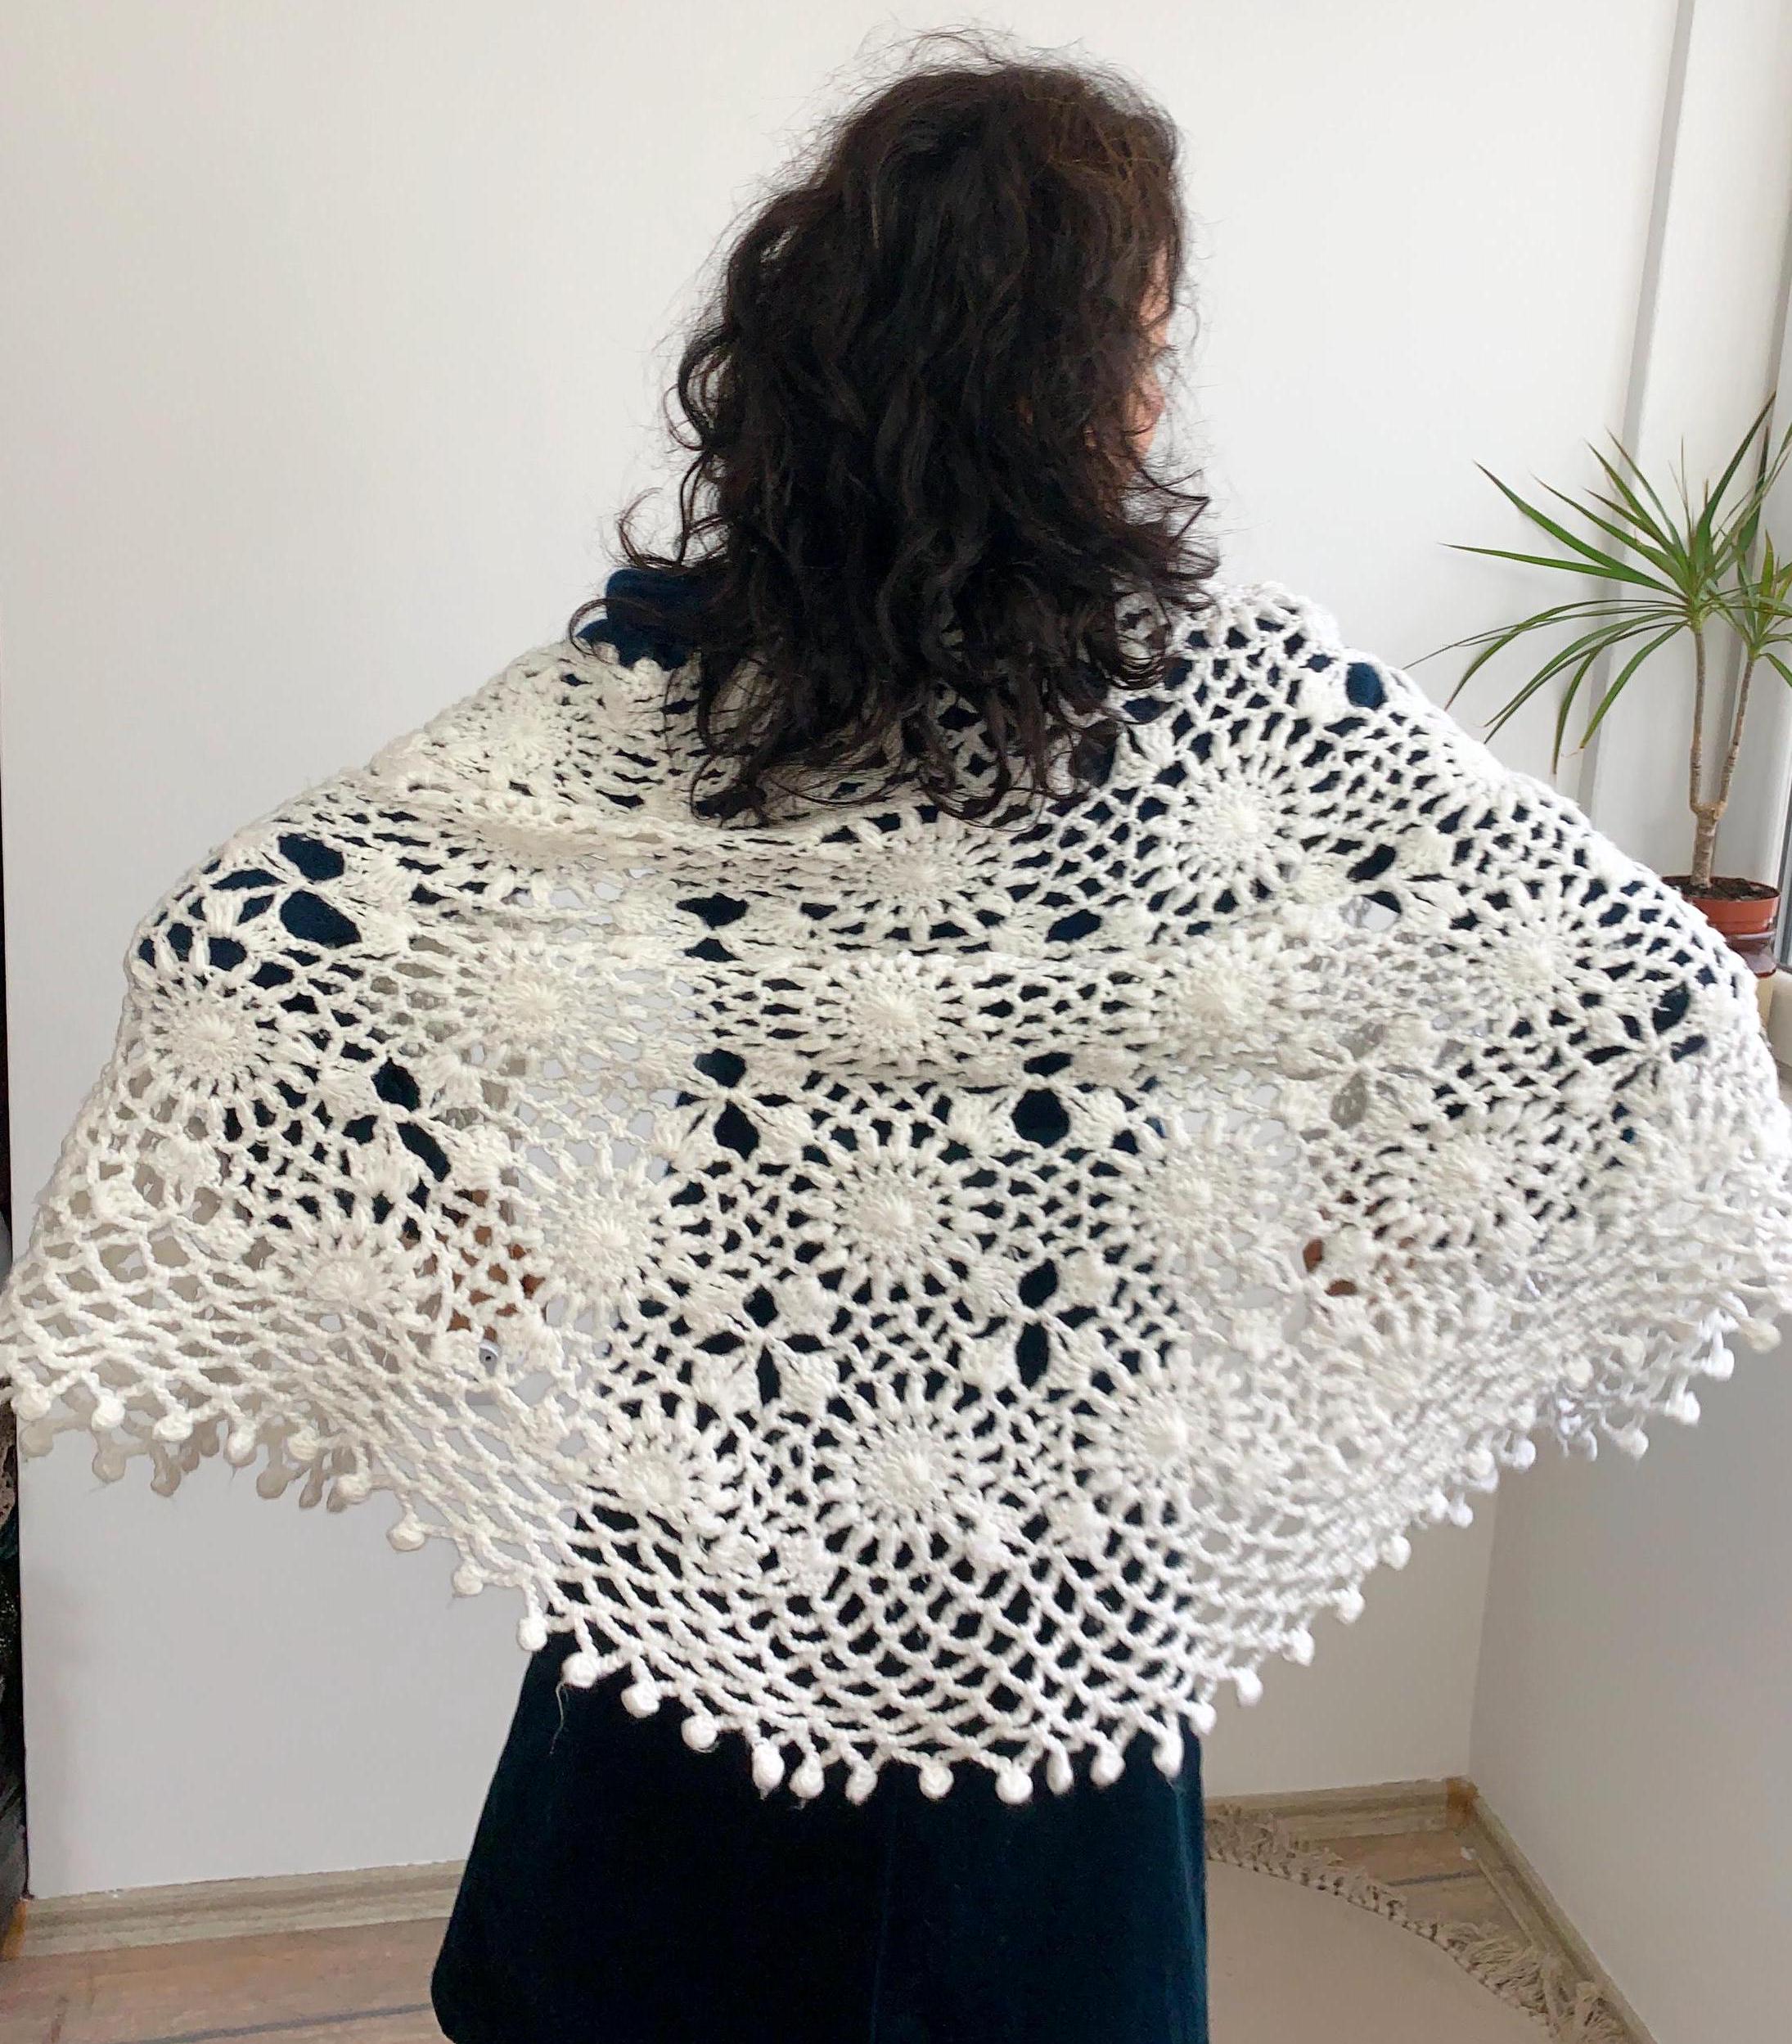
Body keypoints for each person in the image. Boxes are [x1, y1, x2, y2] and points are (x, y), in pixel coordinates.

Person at [429, 33, 1217, 2044]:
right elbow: (303, 940)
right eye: (1138, 345)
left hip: (901, 1471)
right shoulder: (1181, 706)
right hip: (828, 1470)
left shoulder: (676, 680)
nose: (1157, 397)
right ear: (1037, 375)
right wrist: (463, 1216)